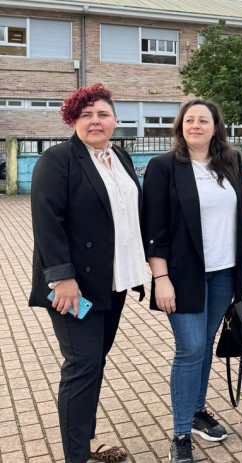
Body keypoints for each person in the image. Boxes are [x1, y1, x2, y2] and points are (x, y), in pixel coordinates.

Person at [29, 83, 147, 463]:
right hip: (73, 289)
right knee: (81, 369)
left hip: (113, 284)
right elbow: (48, 222)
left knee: (93, 365)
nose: (95, 121)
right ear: (72, 119)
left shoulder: (122, 158)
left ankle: (86, 444)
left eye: (102, 114)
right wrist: (62, 279)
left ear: (115, 120)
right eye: (85, 115)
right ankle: (76, 456)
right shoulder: (58, 159)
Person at [141, 99, 242, 463]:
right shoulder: (163, 167)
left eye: (204, 120)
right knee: (189, 349)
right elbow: (153, 227)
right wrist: (161, 278)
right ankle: (181, 433)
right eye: (190, 120)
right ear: (180, 126)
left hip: (224, 272)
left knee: (203, 345)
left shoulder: (231, 163)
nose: (196, 125)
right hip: (182, 275)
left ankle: (198, 411)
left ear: (216, 126)